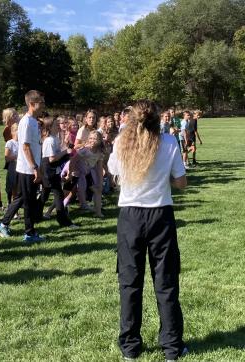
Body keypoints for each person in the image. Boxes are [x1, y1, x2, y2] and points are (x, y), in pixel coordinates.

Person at [108, 100, 188, 361]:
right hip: (160, 215)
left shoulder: (122, 142)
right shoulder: (168, 143)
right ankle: (172, 347)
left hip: (130, 216)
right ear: (158, 119)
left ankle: (130, 346)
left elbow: (112, 171)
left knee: (129, 282)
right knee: (166, 283)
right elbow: (181, 183)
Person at [0, 90, 45, 243]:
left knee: (22, 197)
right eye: (40, 102)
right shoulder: (27, 122)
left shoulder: (34, 121)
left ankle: (2, 223)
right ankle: (29, 233)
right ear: (31, 104)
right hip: (27, 168)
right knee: (28, 201)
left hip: (31, 167)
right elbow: (26, 147)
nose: (43, 105)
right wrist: (35, 168)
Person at [39, 116, 76, 228]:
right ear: (50, 127)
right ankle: (63, 221)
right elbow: (51, 159)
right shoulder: (50, 140)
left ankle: (35, 215)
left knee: (45, 195)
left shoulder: (54, 138)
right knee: (58, 195)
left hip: (52, 170)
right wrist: (66, 152)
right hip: (49, 171)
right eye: (56, 124)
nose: (58, 125)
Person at [4, 123, 19, 207]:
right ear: (13, 131)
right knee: (12, 188)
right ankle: (10, 205)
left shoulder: (23, 142)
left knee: (18, 189)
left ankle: (15, 207)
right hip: (13, 168)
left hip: (21, 168)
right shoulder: (10, 143)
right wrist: (17, 156)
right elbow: (7, 158)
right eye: (18, 130)